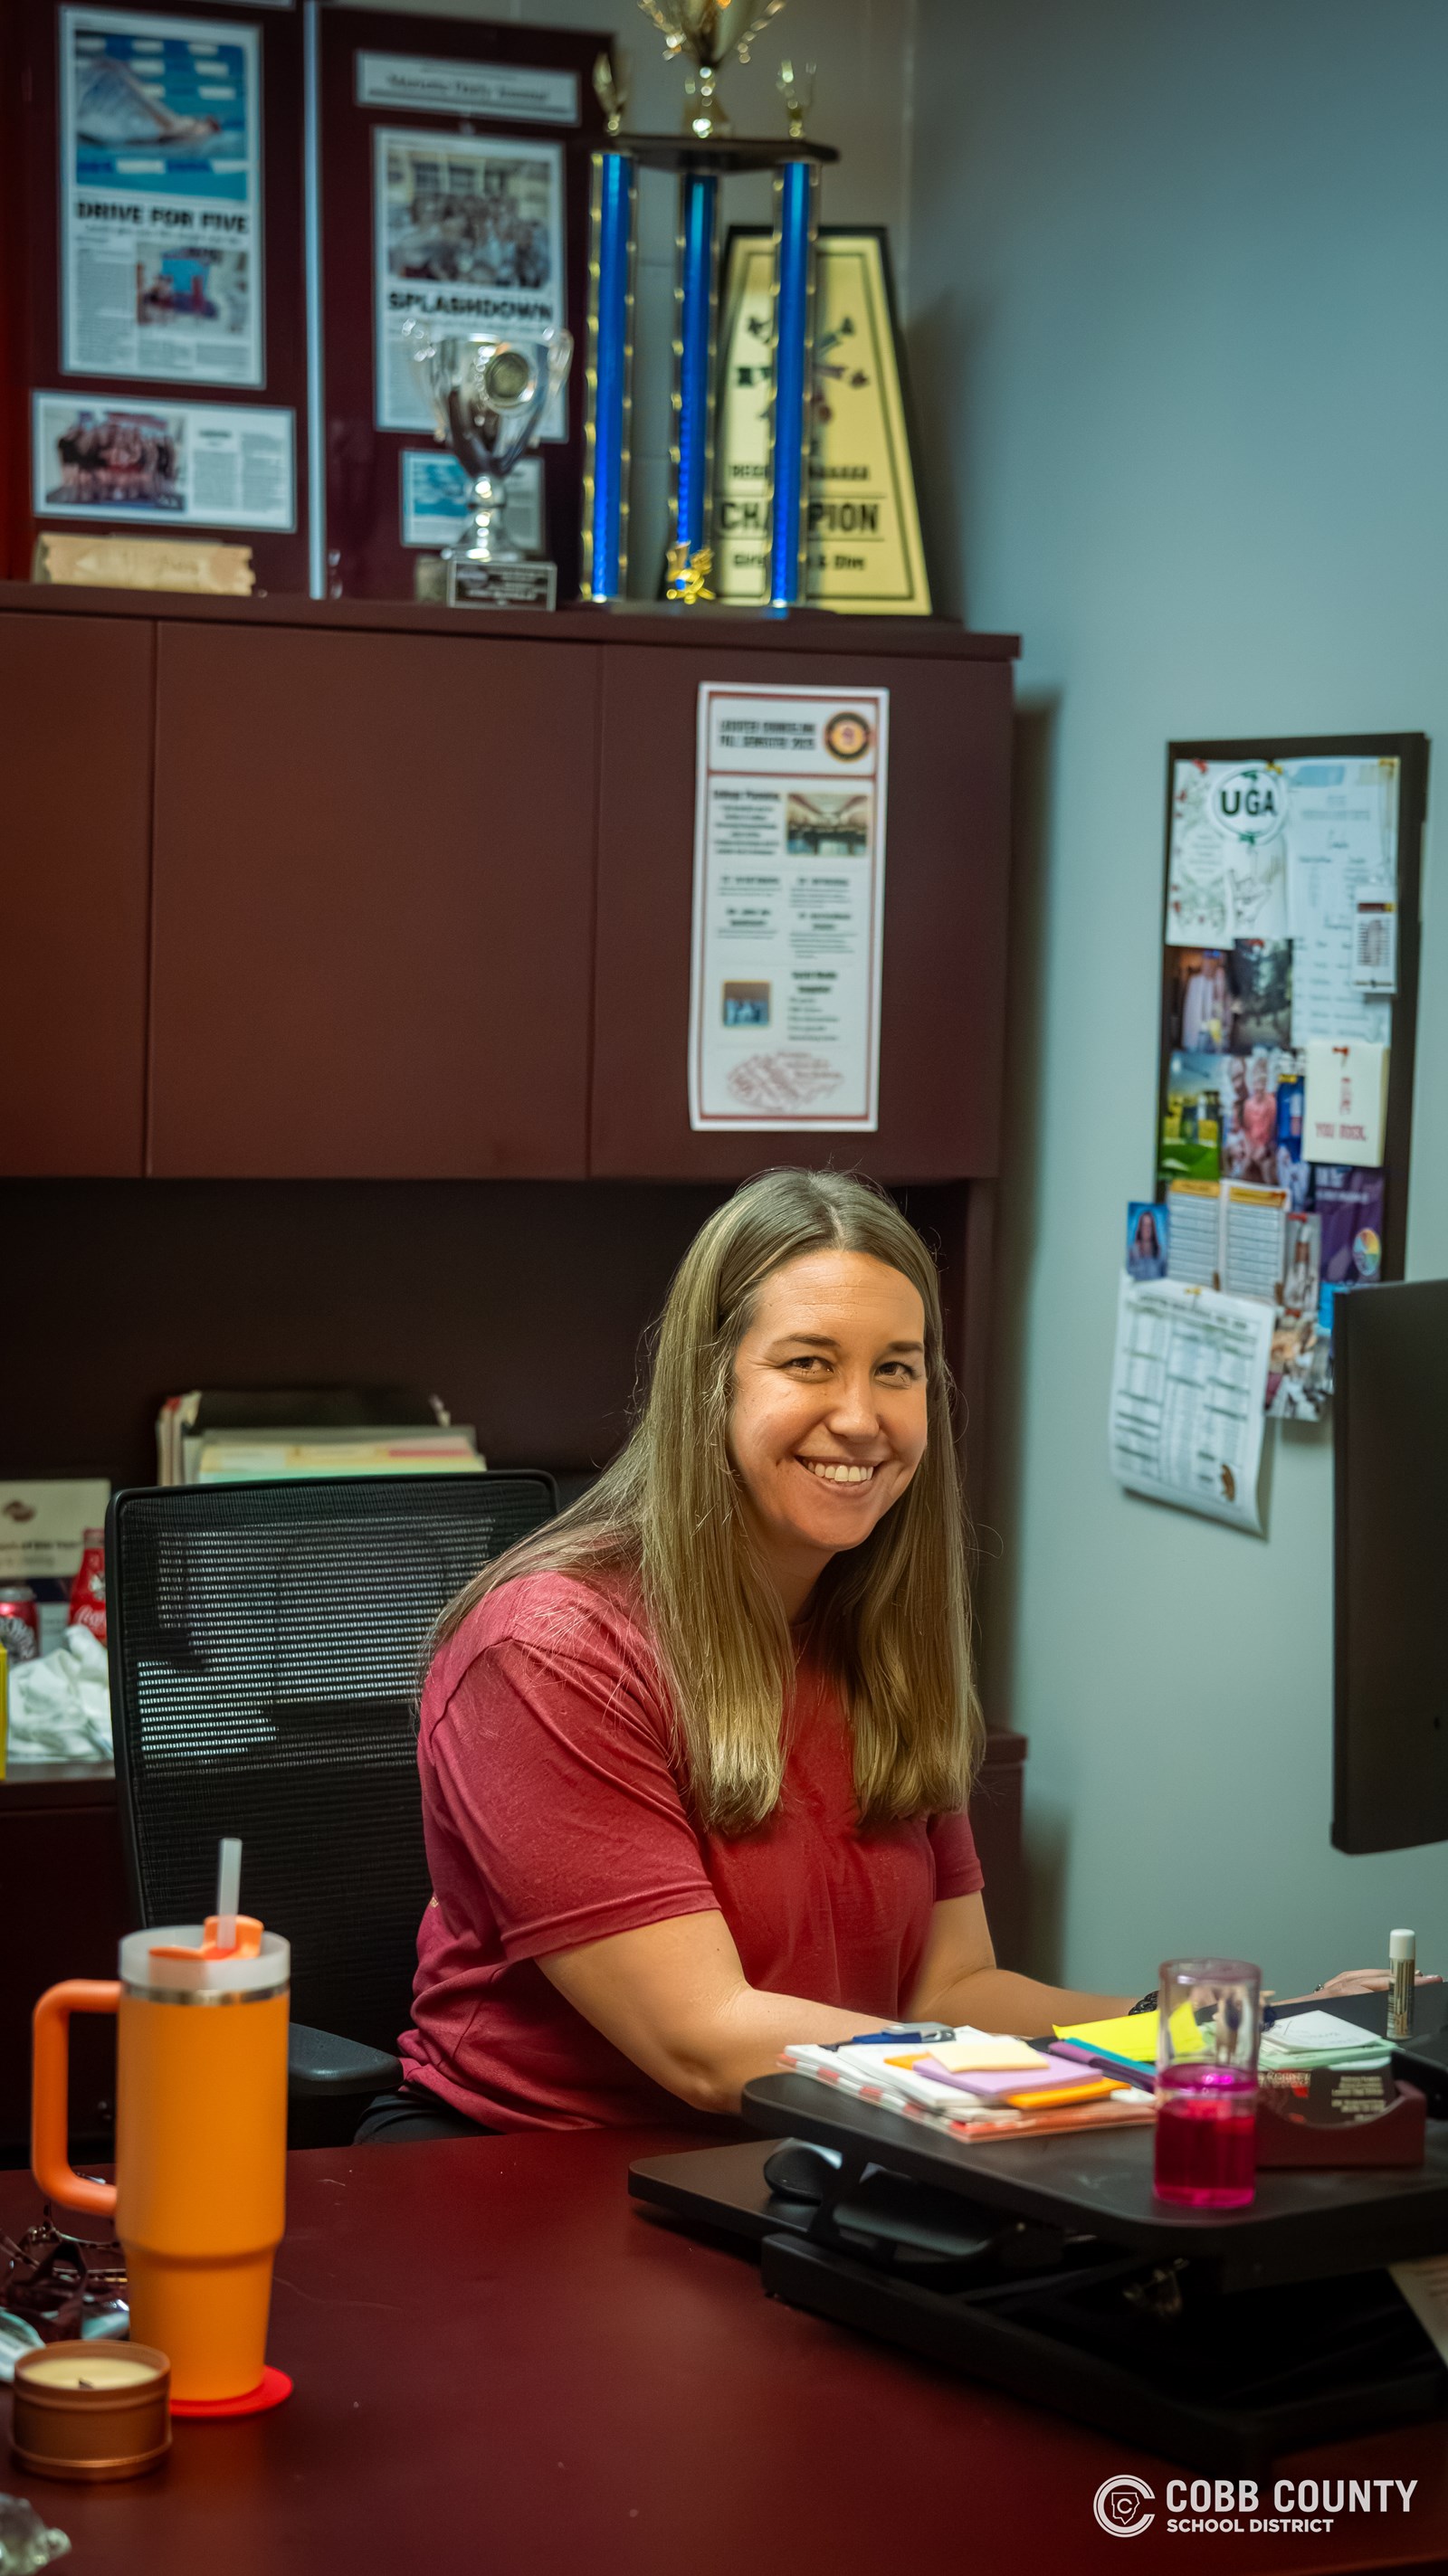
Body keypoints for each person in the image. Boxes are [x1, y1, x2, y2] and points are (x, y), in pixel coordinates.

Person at [358, 1171, 1408, 2144]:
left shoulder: (874, 1632)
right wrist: (1036, 2078)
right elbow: (705, 2041)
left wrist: (1226, 2037)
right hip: (537, 2184)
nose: (859, 1419)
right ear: (710, 1384)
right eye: (809, 1362)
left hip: (819, 2150)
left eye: (895, 1371)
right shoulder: (551, 1650)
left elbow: (946, 1992)